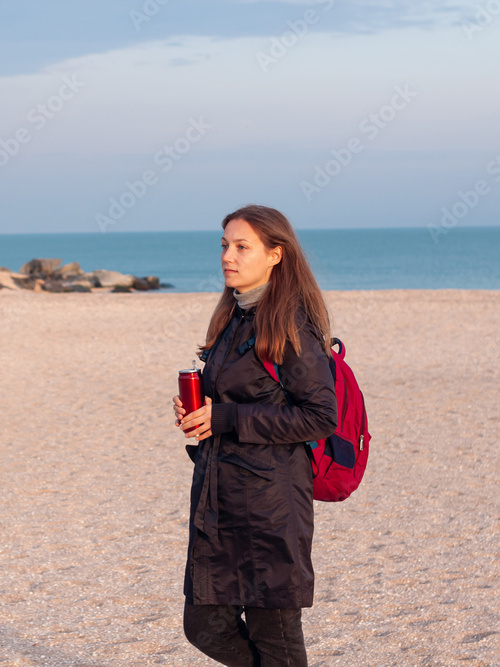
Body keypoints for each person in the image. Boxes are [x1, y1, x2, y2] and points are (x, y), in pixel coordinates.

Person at [172, 204, 338, 666]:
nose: (229, 255)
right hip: (220, 501)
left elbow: (322, 415)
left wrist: (224, 418)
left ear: (276, 254)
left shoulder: (292, 325)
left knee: (278, 641)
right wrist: (199, 411)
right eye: (225, 245)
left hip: (270, 509)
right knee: (203, 625)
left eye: (243, 246)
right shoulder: (234, 317)